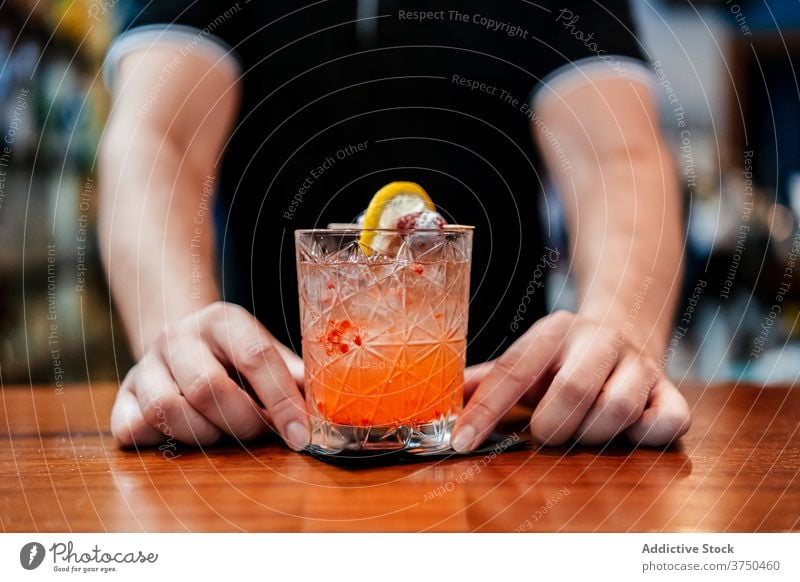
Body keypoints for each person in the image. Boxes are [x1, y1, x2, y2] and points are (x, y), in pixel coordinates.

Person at [100, 0, 690, 452]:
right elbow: (159, 140)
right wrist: (179, 342)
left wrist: (614, 338)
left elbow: (618, 157)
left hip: (513, 431)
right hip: (261, 423)